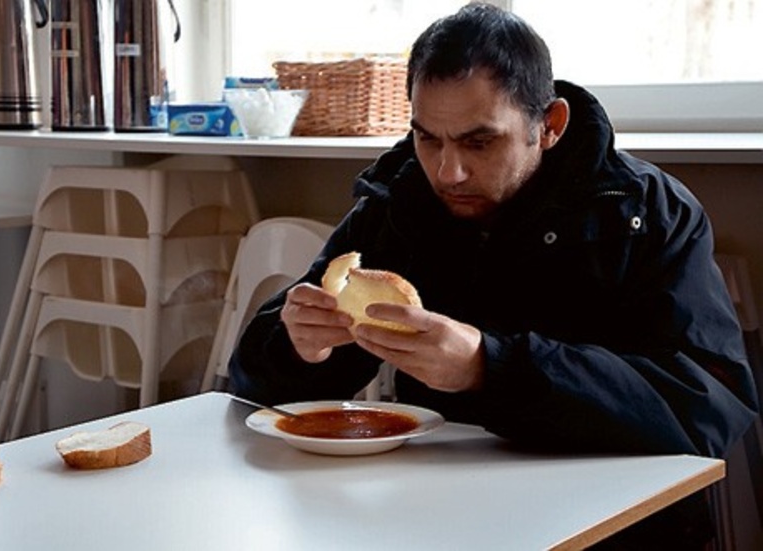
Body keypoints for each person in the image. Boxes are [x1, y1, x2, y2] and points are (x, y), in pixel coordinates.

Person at [229, 2, 759, 548]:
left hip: (621, 528)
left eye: (479, 142)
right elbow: (251, 388)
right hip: (439, 522)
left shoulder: (648, 212)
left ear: (548, 126)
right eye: (428, 137)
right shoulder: (397, 204)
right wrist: (298, 346)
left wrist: (489, 367)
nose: (447, 172)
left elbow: (710, 408)